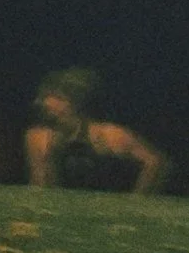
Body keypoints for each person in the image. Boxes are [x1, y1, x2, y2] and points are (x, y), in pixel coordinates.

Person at [26, 70, 168, 194]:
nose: (44, 102)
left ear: (73, 102)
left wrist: (136, 201)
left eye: (55, 96)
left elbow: (156, 162)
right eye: (44, 96)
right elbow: (40, 186)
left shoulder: (108, 136)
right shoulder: (38, 138)